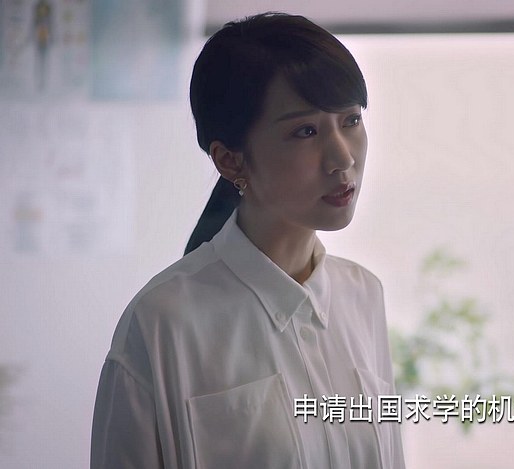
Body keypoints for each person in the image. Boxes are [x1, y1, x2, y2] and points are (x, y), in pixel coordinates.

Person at [91, 12, 405, 469]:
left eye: (351, 120)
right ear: (231, 160)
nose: (342, 158)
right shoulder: (162, 323)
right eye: (305, 131)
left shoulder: (362, 295)